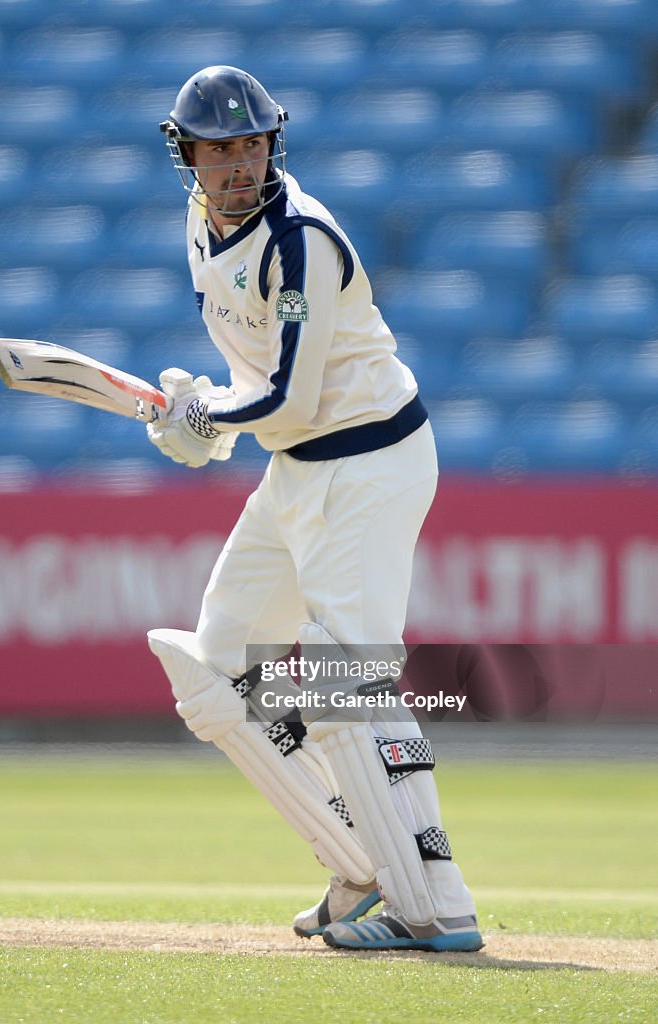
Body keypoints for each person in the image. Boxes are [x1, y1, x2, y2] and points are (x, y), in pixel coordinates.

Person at [145, 65, 482, 952]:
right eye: (218, 149)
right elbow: (270, 393)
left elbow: (291, 396)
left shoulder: (300, 241)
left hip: (370, 464)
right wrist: (206, 408)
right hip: (297, 472)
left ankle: (436, 905)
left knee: (344, 679)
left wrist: (206, 417)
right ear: (187, 156)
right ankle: (358, 859)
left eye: (250, 144)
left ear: (272, 143)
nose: (237, 165)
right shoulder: (199, 224)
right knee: (217, 671)